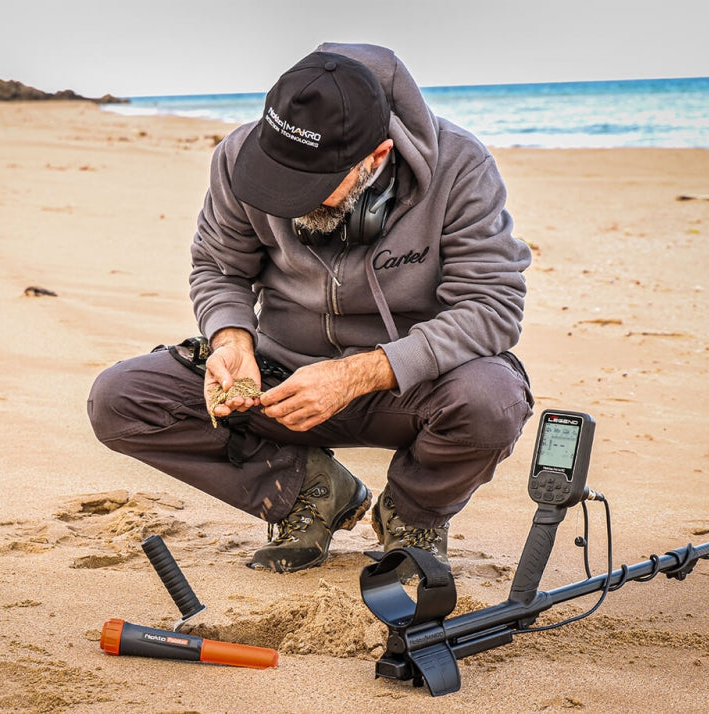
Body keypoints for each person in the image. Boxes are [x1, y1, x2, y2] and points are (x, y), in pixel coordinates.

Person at [87, 42, 534, 573]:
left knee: (493, 401)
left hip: (409, 385)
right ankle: (311, 491)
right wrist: (231, 339)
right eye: (278, 179)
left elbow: (493, 304)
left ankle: (413, 514)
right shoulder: (235, 157)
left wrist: (360, 373)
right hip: (280, 383)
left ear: (377, 157)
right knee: (120, 399)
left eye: (312, 187)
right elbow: (218, 267)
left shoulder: (461, 166)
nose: (289, 200)